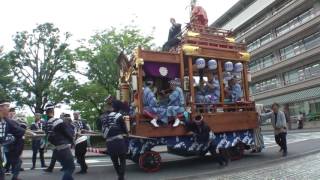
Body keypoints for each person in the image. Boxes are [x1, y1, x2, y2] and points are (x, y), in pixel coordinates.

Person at [0, 99, 33, 180]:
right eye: (7, 106)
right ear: (0, 107)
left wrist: (33, 134)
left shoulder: (7, 121)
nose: (9, 108)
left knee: (1, 172)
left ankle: (13, 176)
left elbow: (19, 130)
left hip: (3, 148)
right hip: (8, 147)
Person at [45, 104, 75, 180]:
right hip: (63, 148)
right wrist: (72, 141)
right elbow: (68, 133)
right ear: (53, 111)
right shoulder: (58, 121)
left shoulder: (46, 123)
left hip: (55, 150)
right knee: (71, 167)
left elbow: (48, 137)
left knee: (66, 168)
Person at [101, 104, 129, 180]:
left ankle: (119, 176)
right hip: (119, 140)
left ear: (105, 109)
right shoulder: (118, 115)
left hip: (109, 142)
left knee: (115, 161)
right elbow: (124, 127)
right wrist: (127, 134)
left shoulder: (102, 118)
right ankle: (121, 177)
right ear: (112, 108)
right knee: (123, 160)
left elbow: (102, 130)